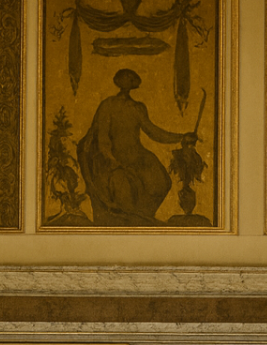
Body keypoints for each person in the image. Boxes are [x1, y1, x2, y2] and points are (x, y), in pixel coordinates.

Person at [78, 68, 197, 226]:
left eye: (130, 77)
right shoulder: (108, 104)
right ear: (119, 80)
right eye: (125, 77)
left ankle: (143, 216)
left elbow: (153, 131)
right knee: (124, 188)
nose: (128, 80)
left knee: (162, 182)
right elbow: (102, 137)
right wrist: (111, 160)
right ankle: (132, 218)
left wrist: (181, 137)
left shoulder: (138, 107)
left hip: (138, 155)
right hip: (115, 154)